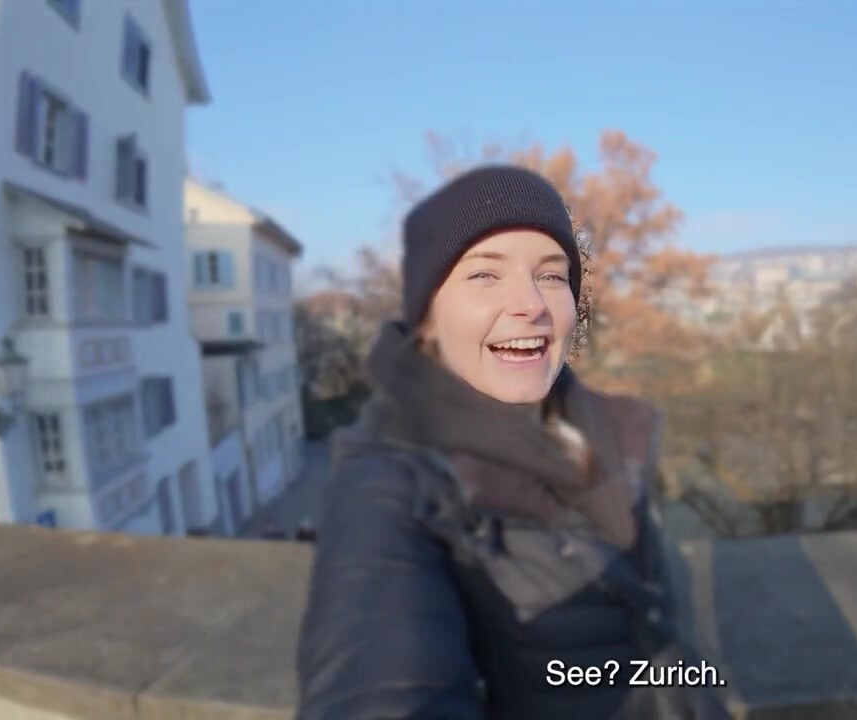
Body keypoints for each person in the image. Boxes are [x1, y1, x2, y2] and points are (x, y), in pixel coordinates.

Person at [295, 165, 727, 719]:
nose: (532, 304)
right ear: (427, 319)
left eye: (551, 276)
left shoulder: (604, 433)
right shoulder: (390, 478)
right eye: (484, 275)